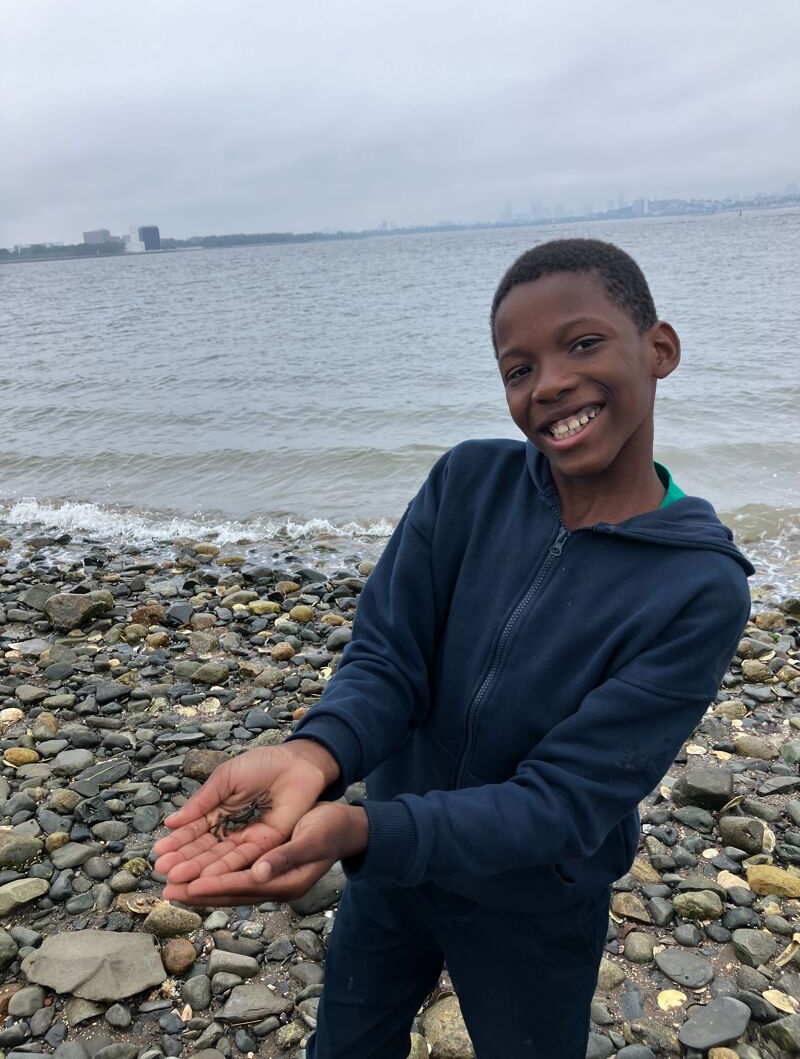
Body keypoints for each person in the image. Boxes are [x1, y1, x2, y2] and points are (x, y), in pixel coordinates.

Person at [154, 238, 753, 1058]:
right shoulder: (467, 483)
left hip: (533, 902)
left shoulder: (697, 587)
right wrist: (313, 754)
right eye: (517, 368)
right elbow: (388, 660)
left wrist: (358, 832)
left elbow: (564, 800)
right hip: (395, 876)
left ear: (660, 349)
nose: (548, 384)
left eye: (582, 343)